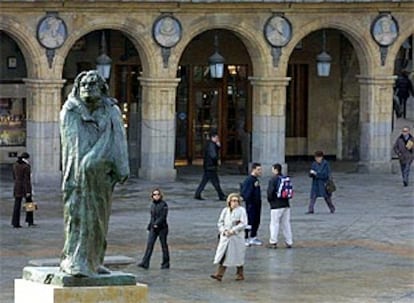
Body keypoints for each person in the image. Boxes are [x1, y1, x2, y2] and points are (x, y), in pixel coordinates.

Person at [59, 70, 129, 277]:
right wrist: (89, 165)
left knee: (99, 219)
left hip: (101, 177)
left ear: (101, 89)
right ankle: (75, 260)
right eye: (84, 85)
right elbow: (74, 146)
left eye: (93, 85)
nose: (88, 88)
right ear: (77, 89)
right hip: (78, 178)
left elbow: (119, 139)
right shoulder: (70, 111)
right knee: (78, 217)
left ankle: (94, 260)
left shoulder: (111, 111)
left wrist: (120, 166)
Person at [211, 193, 247, 282]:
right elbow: (220, 222)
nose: (235, 203)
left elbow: (244, 223)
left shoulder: (241, 210)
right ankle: (219, 274)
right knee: (224, 255)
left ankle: (240, 274)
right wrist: (223, 231)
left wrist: (233, 230)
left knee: (238, 256)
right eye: (233, 201)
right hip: (226, 236)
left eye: (237, 201)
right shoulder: (225, 211)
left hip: (236, 237)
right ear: (229, 201)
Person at [138, 188, 170, 270]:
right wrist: (150, 225)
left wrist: (156, 224)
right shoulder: (152, 205)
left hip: (162, 228)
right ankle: (145, 262)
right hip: (153, 228)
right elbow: (152, 216)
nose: (156, 196)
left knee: (164, 246)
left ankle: (165, 263)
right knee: (149, 245)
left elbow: (163, 216)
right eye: (154, 195)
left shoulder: (164, 205)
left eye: (158, 194)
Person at [266, 163, 293, 249]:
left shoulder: (273, 179)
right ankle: (289, 242)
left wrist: (270, 201)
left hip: (276, 205)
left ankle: (273, 242)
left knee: (274, 223)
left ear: (275, 169)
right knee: (286, 224)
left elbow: (270, 192)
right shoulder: (285, 178)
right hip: (286, 204)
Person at [194, 131, 226, 201]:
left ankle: (197, 194)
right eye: (216, 137)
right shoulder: (211, 145)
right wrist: (216, 160)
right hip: (211, 166)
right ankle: (221, 195)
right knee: (215, 182)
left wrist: (218, 146)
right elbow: (213, 155)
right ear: (213, 137)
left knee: (204, 181)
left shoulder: (210, 144)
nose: (218, 139)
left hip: (208, 166)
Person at [240, 162, 263, 246]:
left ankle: (253, 236)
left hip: (257, 204)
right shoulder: (249, 180)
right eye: (258, 169)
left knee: (256, 220)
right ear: (253, 170)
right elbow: (245, 192)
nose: (260, 171)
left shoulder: (256, 180)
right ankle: (245, 238)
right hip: (251, 204)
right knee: (249, 221)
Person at [11, 152, 35, 228]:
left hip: (17, 186)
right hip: (25, 187)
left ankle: (15, 222)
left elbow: (14, 176)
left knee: (17, 205)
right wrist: (28, 191)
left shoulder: (15, 165)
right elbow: (27, 180)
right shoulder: (26, 166)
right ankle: (30, 220)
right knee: (30, 203)